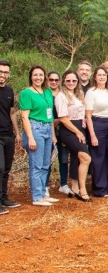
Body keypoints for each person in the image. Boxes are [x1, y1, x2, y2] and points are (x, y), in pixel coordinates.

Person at [20, 65, 57, 207]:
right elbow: (24, 117)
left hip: (48, 128)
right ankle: (36, 197)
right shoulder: (26, 93)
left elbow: (50, 115)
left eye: (41, 75)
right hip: (35, 129)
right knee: (36, 164)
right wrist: (30, 137)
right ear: (31, 76)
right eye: (35, 75)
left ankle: (42, 193)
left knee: (45, 164)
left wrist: (53, 135)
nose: (38, 78)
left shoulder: (47, 91)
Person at [55, 70, 92, 202]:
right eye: (68, 80)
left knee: (76, 158)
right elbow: (63, 118)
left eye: (74, 81)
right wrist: (77, 132)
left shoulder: (77, 94)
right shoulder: (61, 96)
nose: (71, 83)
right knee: (86, 158)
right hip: (69, 129)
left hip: (79, 127)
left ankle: (74, 188)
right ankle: (83, 190)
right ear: (63, 81)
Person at [85, 66, 108, 197]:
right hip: (97, 124)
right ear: (95, 77)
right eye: (99, 75)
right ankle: (99, 188)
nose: (102, 77)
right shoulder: (91, 92)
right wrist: (92, 135)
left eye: (104, 75)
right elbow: (88, 116)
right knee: (98, 157)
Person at [0, 61, 21, 214]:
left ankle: (4, 198)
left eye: (6, 72)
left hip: (8, 134)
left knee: (6, 169)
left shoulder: (9, 90)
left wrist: (17, 133)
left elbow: (12, 112)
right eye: (1, 71)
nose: (3, 75)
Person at [47, 70, 70, 196]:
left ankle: (63, 184)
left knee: (63, 158)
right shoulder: (44, 94)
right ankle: (44, 185)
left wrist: (60, 121)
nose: (54, 82)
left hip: (63, 130)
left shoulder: (63, 94)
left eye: (56, 80)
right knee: (48, 160)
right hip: (48, 130)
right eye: (51, 80)